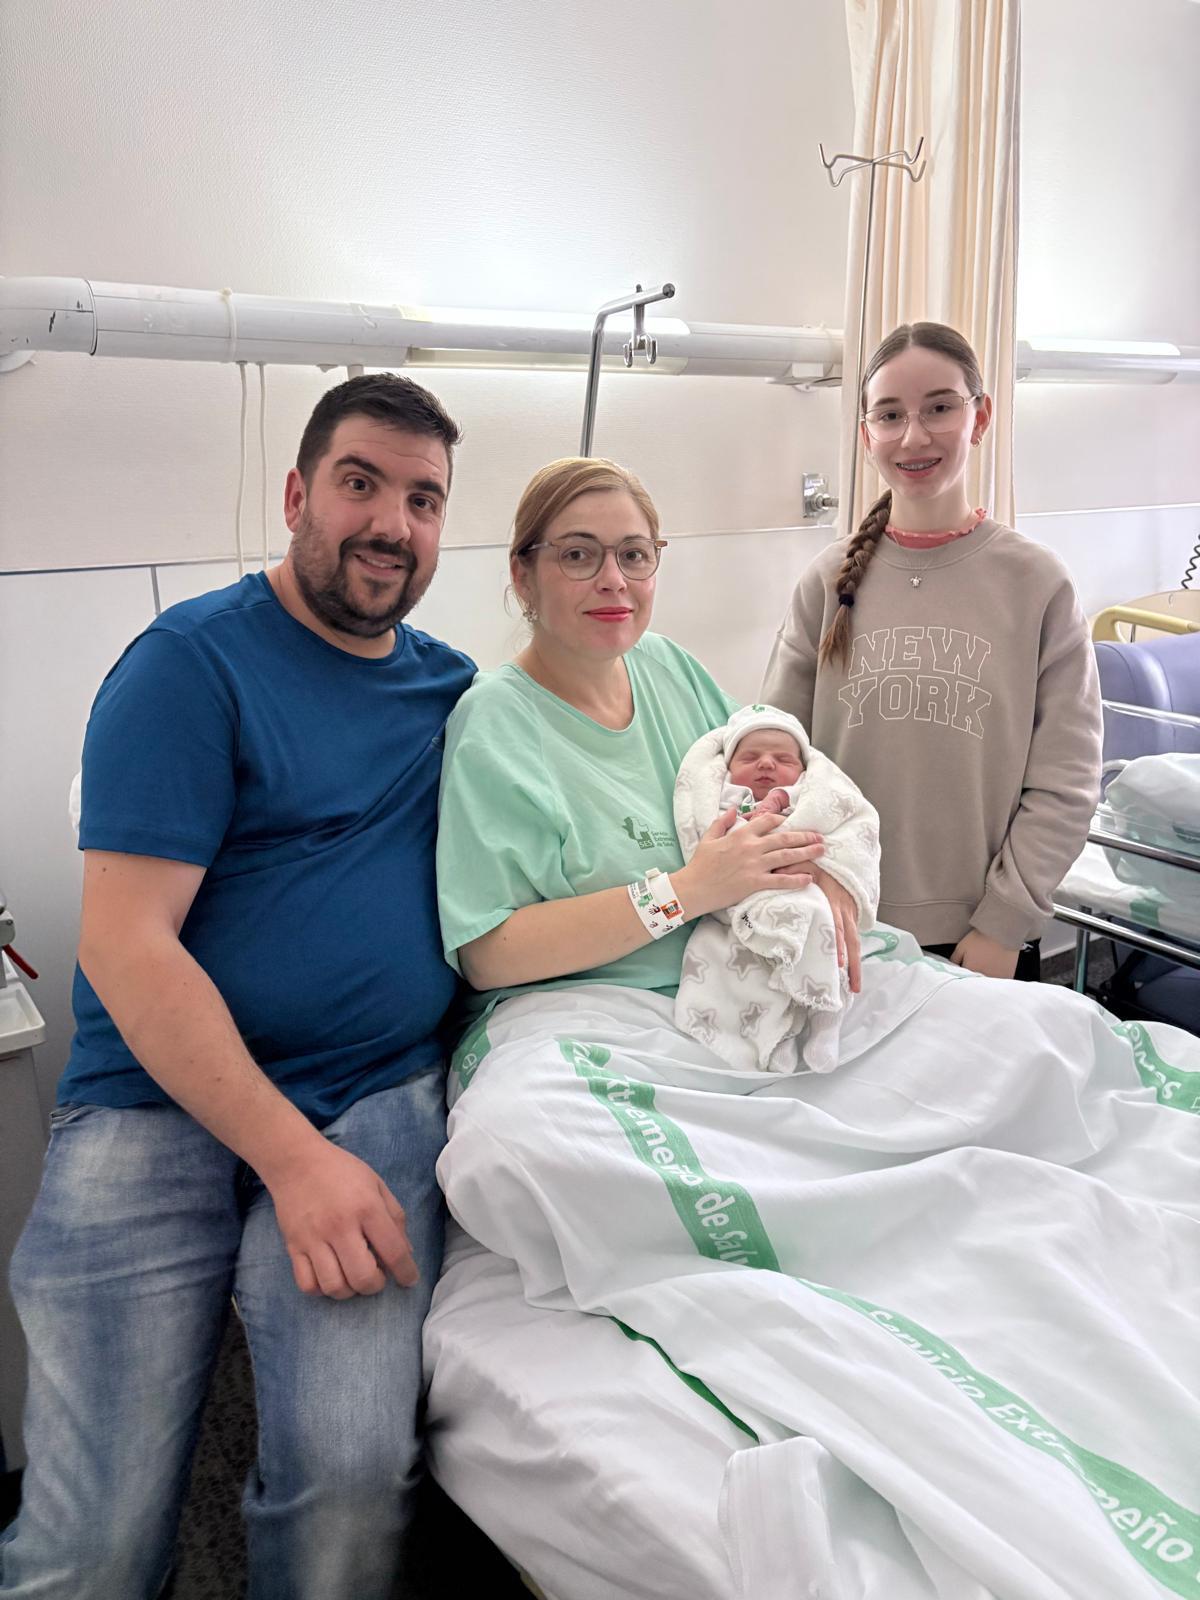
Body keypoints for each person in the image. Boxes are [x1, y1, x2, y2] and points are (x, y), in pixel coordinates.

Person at [0, 375, 476, 1600]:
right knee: (91, 1538)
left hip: (372, 1094)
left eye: (424, 499)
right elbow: (128, 944)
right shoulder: (187, 667)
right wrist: (292, 1158)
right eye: (361, 482)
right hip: (157, 1095)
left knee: (351, 1483)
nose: (391, 522)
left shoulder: (453, 693)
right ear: (296, 494)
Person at [434, 456, 861, 1028]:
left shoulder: (668, 666)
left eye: (633, 554)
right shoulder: (495, 722)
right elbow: (488, 954)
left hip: (738, 978)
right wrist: (683, 893)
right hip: (589, 1013)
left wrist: (827, 867)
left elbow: (784, 789)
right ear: (522, 574)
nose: (614, 580)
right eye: (578, 555)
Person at [762, 321, 1103, 980]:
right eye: (890, 415)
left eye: (939, 407)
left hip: (981, 940)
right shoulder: (826, 583)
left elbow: (1066, 781)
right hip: (837, 924)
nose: (913, 436)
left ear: (980, 418)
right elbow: (776, 755)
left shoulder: (1036, 584)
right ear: (866, 435)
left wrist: (1004, 922)